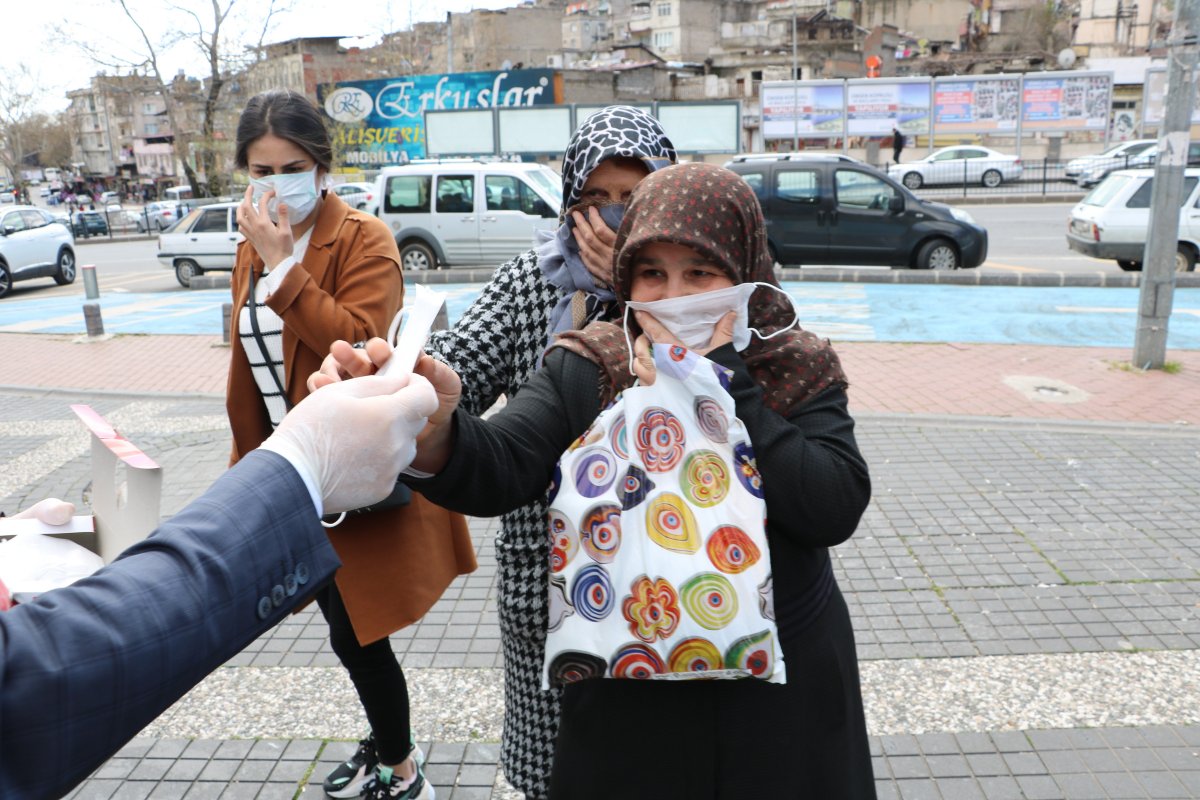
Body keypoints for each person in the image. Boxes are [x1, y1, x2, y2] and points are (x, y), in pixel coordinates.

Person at [321, 162, 876, 798]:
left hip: (786, 689)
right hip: (629, 687)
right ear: (626, 278)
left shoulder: (791, 363)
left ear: (744, 269)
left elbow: (832, 504)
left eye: (700, 271)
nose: (671, 297)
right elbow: (505, 462)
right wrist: (434, 431)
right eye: (651, 272)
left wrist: (721, 385)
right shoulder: (597, 362)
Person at [0, 371, 439, 800]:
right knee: (352, 642)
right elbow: (26, 676)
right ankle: (393, 749)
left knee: (362, 642)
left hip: (352, 501)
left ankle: (399, 759)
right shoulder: (251, 291)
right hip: (307, 493)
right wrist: (290, 471)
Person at [408, 105, 674, 797]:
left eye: (635, 196)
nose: (615, 216)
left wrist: (630, 284)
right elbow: (460, 369)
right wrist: (410, 386)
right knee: (549, 768)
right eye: (596, 200)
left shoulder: (692, 281)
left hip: (671, 575)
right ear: (568, 203)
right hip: (549, 579)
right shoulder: (535, 279)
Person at [228, 89, 474, 800]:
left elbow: (356, 342)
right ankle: (387, 744)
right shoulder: (253, 243)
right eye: (261, 168)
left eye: (293, 166)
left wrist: (283, 267)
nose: (277, 184)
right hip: (290, 470)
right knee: (348, 627)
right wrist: (246, 468)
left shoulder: (363, 237)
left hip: (350, 473)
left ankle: (402, 770)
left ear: (323, 166)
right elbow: (249, 364)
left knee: (358, 630)